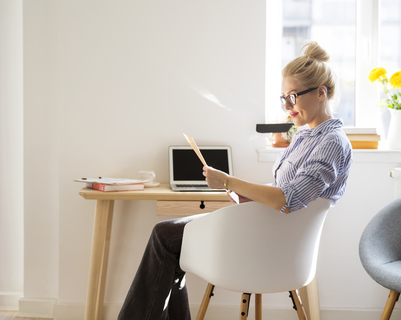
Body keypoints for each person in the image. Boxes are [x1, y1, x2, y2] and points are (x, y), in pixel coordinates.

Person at [117, 41, 352, 320]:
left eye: (293, 96)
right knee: (170, 241)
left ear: (321, 93)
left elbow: (287, 198)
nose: (287, 106)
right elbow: (281, 191)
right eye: (284, 98)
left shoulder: (332, 142)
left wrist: (229, 182)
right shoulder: (304, 136)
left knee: (165, 236)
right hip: (266, 231)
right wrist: (247, 196)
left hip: (272, 244)